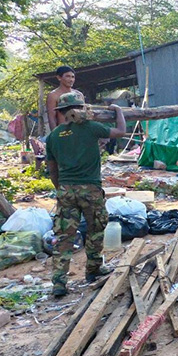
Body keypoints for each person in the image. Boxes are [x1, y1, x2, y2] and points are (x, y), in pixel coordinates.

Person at [45, 92, 126, 297]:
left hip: (66, 189)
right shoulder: (91, 128)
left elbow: (52, 169)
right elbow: (121, 131)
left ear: (61, 113)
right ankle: (93, 269)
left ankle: (59, 282)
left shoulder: (54, 136)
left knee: (64, 235)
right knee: (96, 229)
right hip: (90, 189)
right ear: (81, 109)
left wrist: (61, 187)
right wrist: (118, 111)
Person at [46, 66, 85, 132]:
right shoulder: (53, 95)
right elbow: (52, 118)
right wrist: (55, 135)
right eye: (67, 76)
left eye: (73, 77)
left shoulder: (79, 94)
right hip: (64, 132)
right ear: (59, 77)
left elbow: (84, 114)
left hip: (80, 131)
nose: (71, 80)